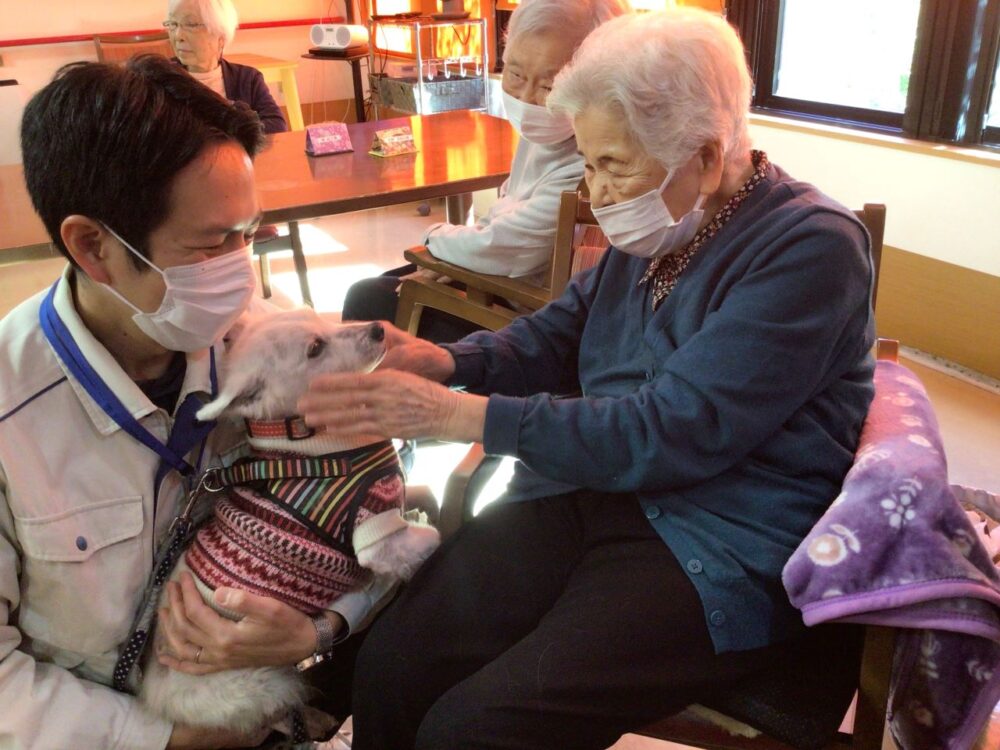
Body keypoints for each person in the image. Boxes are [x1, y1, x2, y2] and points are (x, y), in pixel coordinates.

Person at [297, 7, 878, 749]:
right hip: (601, 490)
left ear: (705, 155)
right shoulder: (665, 220)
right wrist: (447, 361)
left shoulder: (812, 250)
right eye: (590, 161)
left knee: (476, 729)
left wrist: (457, 416)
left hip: (721, 539)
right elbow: (559, 332)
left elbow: (669, 430)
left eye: (614, 165)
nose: (597, 192)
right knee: (392, 667)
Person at [0, 55, 369, 749]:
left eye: (249, 233)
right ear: (93, 247)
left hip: (265, 702)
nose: (242, 272)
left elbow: (371, 506)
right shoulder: (12, 417)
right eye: (212, 245)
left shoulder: (269, 353)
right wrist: (164, 740)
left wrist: (322, 627)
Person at [341, 0, 633, 343]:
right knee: (387, 282)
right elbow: (504, 220)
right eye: (515, 74)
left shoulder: (592, 160)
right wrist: (458, 261)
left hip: (529, 318)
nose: (526, 98)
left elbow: (511, 248)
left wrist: (436, 240)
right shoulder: (547, 132)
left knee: (368, 299)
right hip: (502, 281)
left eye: (549, 86)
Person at [165, 0, 287, 134]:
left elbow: (276, 124)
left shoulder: (247, 78)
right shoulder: (158, 79)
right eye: (173, 24)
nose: (178, 36)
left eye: (191, 25)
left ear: (221, 36)